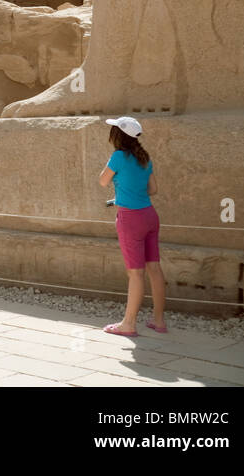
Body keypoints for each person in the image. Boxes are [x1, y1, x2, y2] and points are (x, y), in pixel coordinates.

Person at [99, 116, 165, 335]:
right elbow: (153, 189)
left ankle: (128, 324)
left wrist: (123, 192)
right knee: (154, 269)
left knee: (135, 274)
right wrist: (135, 191)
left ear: (118, 135)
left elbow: (102, 181)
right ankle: (159, 321)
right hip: (149, 214)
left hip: (130, 219)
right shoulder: (145, 157)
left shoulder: (118, 156)